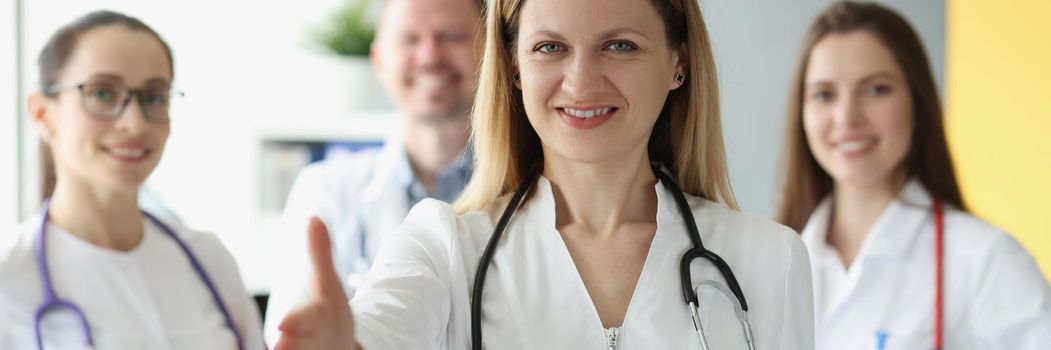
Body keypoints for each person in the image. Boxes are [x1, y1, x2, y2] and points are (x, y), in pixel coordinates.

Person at [274, 0, 815, 348]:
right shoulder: (443, 249)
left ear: (680, 62)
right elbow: (382, 324)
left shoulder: (768, 259)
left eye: (620, 45)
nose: (581, 81)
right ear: (512, 67)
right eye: (549, 47)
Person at [776, 2, 1051, 349]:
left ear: (917, 101)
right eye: (824, 94)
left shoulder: (985, 260)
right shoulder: (776, 259)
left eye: (876, 89)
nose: (846, 117)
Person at [0, 10, 264, 349]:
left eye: (154, 97)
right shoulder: (9, 281)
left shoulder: (209, 260)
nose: (135, 123)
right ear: (41, 112)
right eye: (102, 94)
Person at [262, 0, 482, 345]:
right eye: (410, 39)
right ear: (379, 61)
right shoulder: (324, 190)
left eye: (451, 36)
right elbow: (293, 333)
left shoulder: (533, 188)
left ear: (493, 53)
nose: (429, 56)